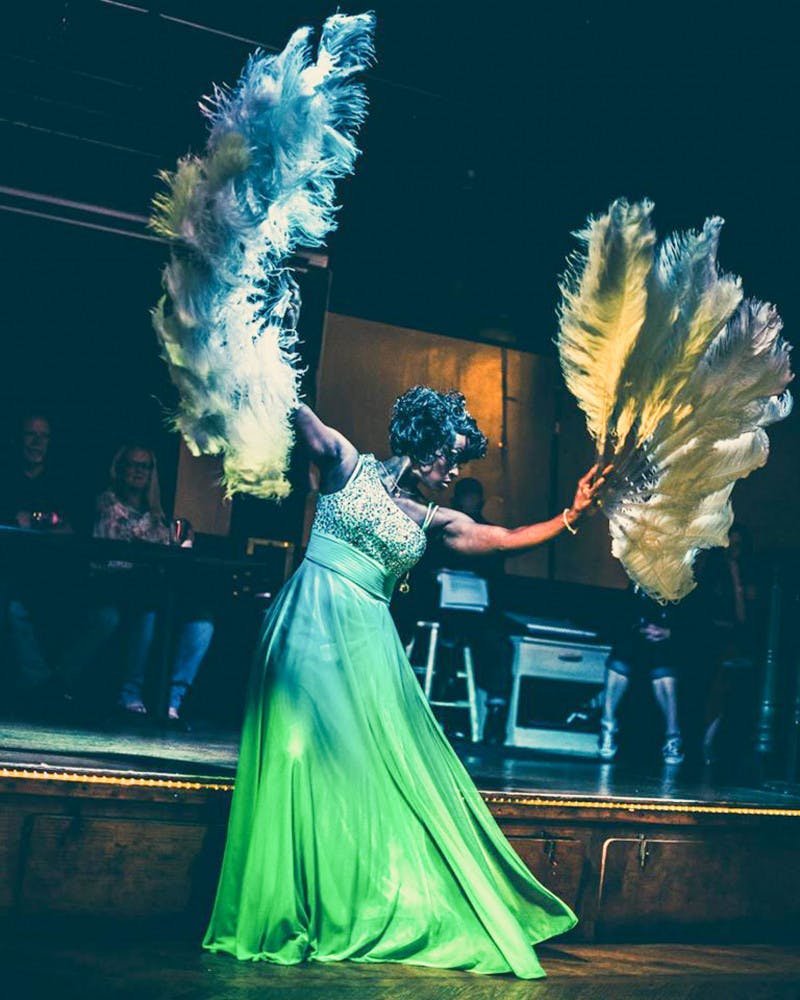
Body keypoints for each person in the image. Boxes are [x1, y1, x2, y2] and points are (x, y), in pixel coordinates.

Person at [204, 387, 604, 979]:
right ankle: (279, 902)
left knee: (354, 766)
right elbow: (296, 412)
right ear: (421, 444)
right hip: (306, 623)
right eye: (451, 456)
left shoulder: (434, 519)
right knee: (290, 750)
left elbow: (502, 539)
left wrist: (571, 515)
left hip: (366, 646)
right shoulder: (344, 462)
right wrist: (251, 358)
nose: (455, 472)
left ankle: (339, 893)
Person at [91, 445, 214, 721]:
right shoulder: (107, 504)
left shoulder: (157, 514)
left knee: (202, 622)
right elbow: (114, 553)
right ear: (120, 469)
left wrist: (184, 541)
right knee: (146, 608)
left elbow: (169, 548)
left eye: (144, 466)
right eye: (132, 465)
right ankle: (129, 693)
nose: (137, 471)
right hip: (118, 588)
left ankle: (172, 701)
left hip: (158, 589)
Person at [407, 477, 513, 744]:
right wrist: (439, 575)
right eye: (466, 498)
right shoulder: (441, 528)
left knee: (499, 641)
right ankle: (442, 708)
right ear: (456, 500)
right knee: (447, 642)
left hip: (478, 610)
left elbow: (497, 578)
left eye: (474, 498)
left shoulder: (488, 533)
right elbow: (421, 567)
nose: (469, 503)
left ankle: (495, 712)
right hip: (441, 609)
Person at [0, 412, 75, 702]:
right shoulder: (6, 476)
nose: (36, 442)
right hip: (9, 570)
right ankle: (45, 687)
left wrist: (40, 523)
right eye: (31, 434)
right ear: (19, 438)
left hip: (50, 573)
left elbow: (70, 527)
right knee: (13, 606)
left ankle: (50, 683)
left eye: (42, 436)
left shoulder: (60, 481)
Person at [597, 588, 687, 765]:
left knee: (663, 664)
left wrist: (669, 633)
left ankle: (673, 737)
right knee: (620, 657)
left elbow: (698, 627)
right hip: (636, 644)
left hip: (670, 647)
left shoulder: (686, 585)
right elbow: (620, 619)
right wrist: (640, 629)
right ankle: (607, 727)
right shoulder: (637, 587)